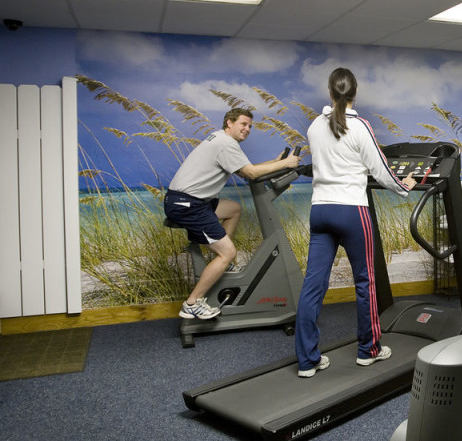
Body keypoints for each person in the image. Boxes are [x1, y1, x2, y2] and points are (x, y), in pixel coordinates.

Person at [295, 67, 417, 378]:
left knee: (313, 286)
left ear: (329, 91)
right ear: (355, 93)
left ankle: (308, 361)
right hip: (351, 211)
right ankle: (369, 351)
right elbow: (380, 170)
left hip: (320, 210)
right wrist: (405, 185)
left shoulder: (313, 127)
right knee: (366, 282)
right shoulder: (360, 126)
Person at [164, 107, 300, 320]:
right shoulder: (226, 144)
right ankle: (191, 304)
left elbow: (248, 169)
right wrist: (288, 163)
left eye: (250, 126)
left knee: (234, 209)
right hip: (188, 204)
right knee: (228, 252)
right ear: (229, 122)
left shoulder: (221, 140)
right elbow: (252, 173)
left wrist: (277, 162)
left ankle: (222, 264)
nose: (247, 129)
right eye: (243, 124)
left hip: (185, 201)